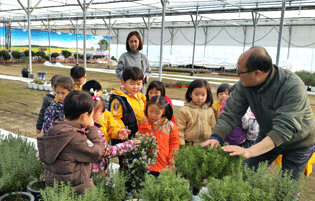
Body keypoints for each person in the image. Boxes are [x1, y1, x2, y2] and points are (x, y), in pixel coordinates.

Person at [201, 46, 315, 181]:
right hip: (268, 134)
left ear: (257, 73)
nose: (238, 75)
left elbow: (283, 129)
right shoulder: (245, 84)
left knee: (285, 187)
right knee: (245, 174)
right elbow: (231, 112)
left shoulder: (292, 86)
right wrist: (216, 137)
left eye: (240, 72)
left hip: (299, 143)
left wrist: (249, 151)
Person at [37, 90, 104, 194]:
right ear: (84, 116)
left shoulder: (55, 128)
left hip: (57, 186)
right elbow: (97, 152)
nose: (92, 119)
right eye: (91, 116)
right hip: (76, 189)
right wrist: (92, 128)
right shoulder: (74, 137)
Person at [84, 89, 140, 176]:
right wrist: (129, 145)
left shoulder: (79, 127)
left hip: (87, 170)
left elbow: (113, 127)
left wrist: (118, 132)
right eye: (101, 112)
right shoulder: (95, 131)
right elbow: (108, 151)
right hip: (97, 169)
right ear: (93, 112)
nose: (102, 115)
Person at [109, 67, 146, 169]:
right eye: (132, 83)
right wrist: (122, 130)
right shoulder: (119, 99)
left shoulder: (140, 96)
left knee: (138, 162)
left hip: (138, 135)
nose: (136, 87)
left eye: (139, 84)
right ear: (123, 82)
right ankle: (125, 184)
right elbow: (115, 118)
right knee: (126, 164)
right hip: (126, 137)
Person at [138, 95, 179, 177]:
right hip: (146, 164)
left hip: (163, 164)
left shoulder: (170, 126)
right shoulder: (144, 123)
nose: (153, 115)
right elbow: (140, 139)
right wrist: (144, 126)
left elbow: (174, 143)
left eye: (157, 113)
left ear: (163, 112)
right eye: (150, 111)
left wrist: (172, 156)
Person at [177, 79, 216, 147]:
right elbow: (180, 130)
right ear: (190, 94)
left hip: (207, 144)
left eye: (203, 95)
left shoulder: (210, 110)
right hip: (189, 145)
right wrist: (182, 145)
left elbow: (213, 127)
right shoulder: (184, 110)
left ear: (207, 95)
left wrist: (213, 141)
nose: (200, 98)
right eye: (196, 94)